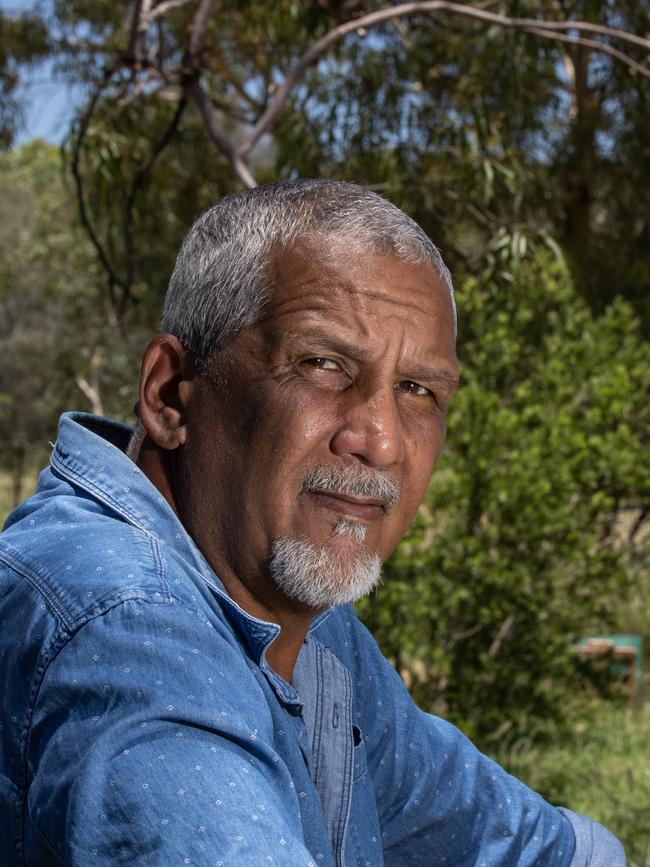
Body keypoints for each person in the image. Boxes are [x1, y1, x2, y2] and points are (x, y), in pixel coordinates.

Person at [0, 180, 625, 866]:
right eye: (323, 364)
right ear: (169, 394)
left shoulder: (302, 619)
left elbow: (519, 840)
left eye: (417, 390)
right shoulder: (129, 633)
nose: (381, 439)